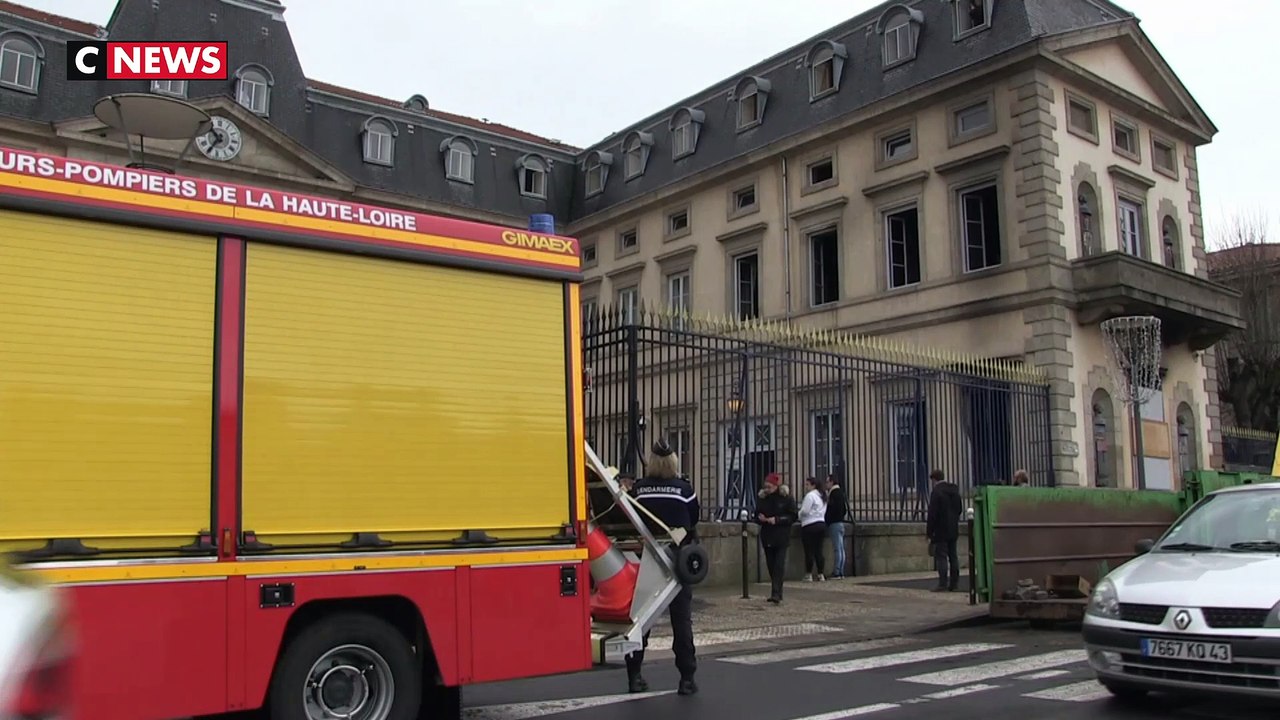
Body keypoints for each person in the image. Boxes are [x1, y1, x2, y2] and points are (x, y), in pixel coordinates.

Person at [624, 440, 699, 696]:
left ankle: (634, 676)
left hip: (649, 557)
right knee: (681, 621)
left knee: (641, 620)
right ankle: (686, 678)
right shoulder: (684, 489)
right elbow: (694, 518)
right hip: (678, 559)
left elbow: (631, 517)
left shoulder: (640, 489)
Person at [756, 472, 797, 604]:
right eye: (766, 487)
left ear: (776, 486)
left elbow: (793, 516)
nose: (767, 489)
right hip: (767, 535)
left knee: (779, 564)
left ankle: (776, 593)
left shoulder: (786, 498)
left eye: (770, 487)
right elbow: (756, 513)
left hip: (781, 535)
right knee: (771, 564)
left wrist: (778, 519)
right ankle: (776, 590)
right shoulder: (763, 499)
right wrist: (760, 518)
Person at [925, 469, 963, 592]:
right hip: (953, 528)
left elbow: (932, 514)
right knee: (953, 556)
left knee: (941, 557)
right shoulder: (954, 490)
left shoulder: (936, 492)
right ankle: (955, 583)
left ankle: (942, 583)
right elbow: (959, 509)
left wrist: (929, 532)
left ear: (934, 479)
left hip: (940, 529)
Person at [798, 477, 828, 582]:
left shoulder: (810, 496)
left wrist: (799, 515)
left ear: (813, 485)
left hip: (809, 524)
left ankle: (809, 574)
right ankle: (821, 573)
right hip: (821, 523)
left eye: (807, 484)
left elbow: (805, 511)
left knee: (809, 550)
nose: (806, 487)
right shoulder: (822, 496)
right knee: (819, 550)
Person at [824, 475, 850, 579]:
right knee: (841, 548)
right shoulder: (840, 493)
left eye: (827, 482)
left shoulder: (834, 494)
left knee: (837, 549)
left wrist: (828, 519)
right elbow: (844, 510)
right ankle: (841, 571)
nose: (826, 484)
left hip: (834, 523)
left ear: (832, 482)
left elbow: (831, 510)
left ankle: (837, 571)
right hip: (840, 523)